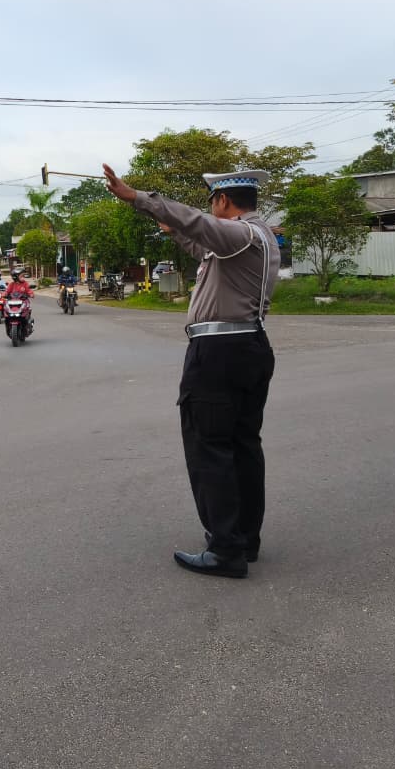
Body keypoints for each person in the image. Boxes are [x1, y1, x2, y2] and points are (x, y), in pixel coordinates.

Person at [103, 164, 279, 579]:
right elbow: (201, 245)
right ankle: (243, 540)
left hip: (219, 352)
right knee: (242, 447)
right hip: (247, 347)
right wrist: (171, 227)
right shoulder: (257, 238)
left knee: (210, 448)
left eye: (212, 202)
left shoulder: (239, 234)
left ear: (222, 200)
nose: (209, 209)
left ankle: (224, 550)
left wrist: (137, 198)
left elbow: (199, 225)